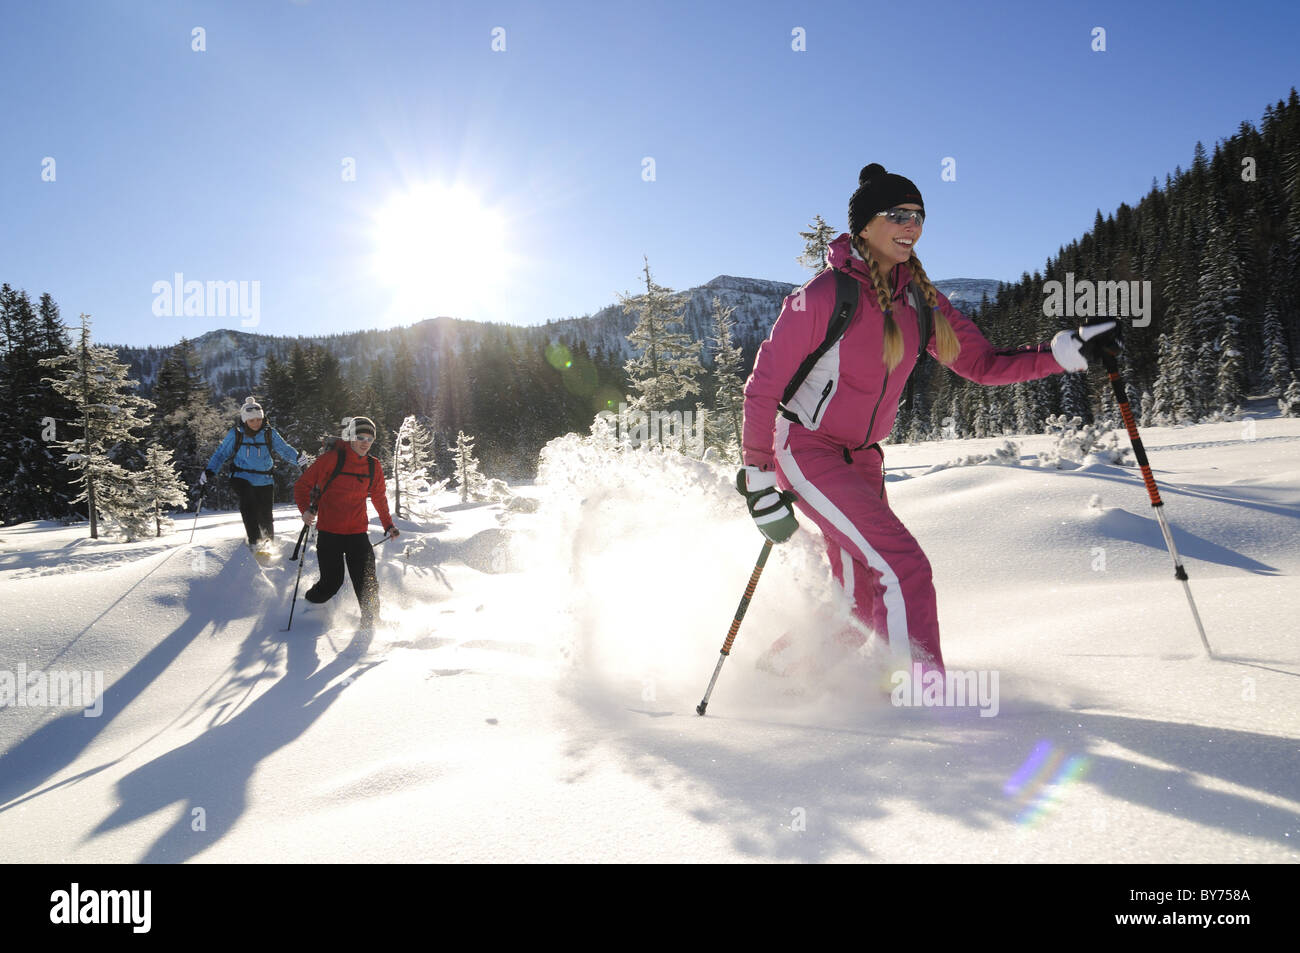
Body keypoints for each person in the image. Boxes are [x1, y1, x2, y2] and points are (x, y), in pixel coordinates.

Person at [738, 163, 1118, 680]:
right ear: (864, 226)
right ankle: (918, 696)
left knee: (860, 602)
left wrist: (1062, 352)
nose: (911, 225)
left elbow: (982, 365)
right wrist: (759, 478)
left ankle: (770, 679)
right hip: (806, 450)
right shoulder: (823, 297)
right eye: (897, 214)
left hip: (863, 459)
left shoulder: (921, 302)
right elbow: (762, 387)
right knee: (902, 565)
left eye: (918, 216)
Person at [294, 416, 400, 629]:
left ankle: (370, 625)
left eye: (370, 438)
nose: (365, 442)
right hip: (329, 533)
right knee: (331, 583)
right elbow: (302, 485)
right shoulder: (330, 460)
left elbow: (379, 497)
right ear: (351, 437)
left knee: (367, 583)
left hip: (357, 533)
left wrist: (388, 525)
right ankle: (310, 606)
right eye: (360, 437)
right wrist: (305, 510)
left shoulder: (373, 465)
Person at [202, 396, 305, 552]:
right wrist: (210, 471)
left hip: (264, 478)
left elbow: (284, 449)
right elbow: (221, 453)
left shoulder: (269, 433)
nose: (256, 423)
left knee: (266, 513)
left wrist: (298, 458)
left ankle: (268, 542)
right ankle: (255, 541)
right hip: (241, 476)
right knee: (248, 503)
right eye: (252, 420)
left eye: (258, 419)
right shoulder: (236, 434)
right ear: (245, 420)